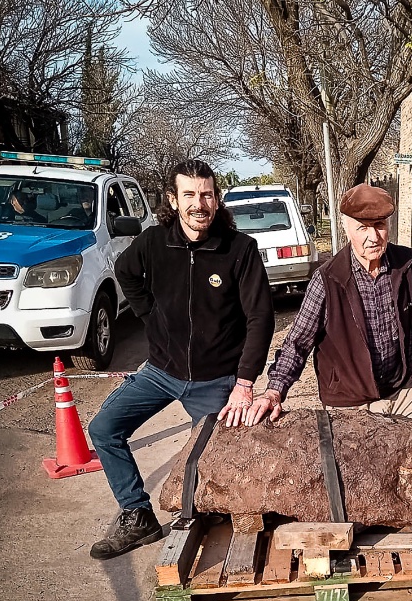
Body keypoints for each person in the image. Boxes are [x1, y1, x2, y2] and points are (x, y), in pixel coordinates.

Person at [85, 159, 275, 560]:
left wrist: (244, 383)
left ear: (217, 198)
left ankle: (217, 525)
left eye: (206, 194)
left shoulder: (239, 250)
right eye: (189, 194)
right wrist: (149, 316)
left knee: (217, 463)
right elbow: (125, 271)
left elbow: (261, 318)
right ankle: (138, 515)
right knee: (103, 429)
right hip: (160, 372)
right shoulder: (154, 243)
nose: (198, 203)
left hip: (216, 379)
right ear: (174, 199)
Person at [244, 184, 412, 426]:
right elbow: (298, 342)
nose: (373, 238)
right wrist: (274, 391)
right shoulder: (328, 279)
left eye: (380, 226)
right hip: (349, 399)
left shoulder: (407, 264)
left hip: (401, 389)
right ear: (346, 227)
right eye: (362, 228)